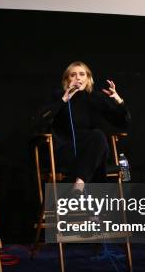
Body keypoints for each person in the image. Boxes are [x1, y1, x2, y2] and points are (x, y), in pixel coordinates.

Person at [37, 61, 131, 194]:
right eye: (73, 75)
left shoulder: (96, 98)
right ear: (66, 80)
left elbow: (124, 124)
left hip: (92, 151)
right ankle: (93, 208)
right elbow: (40, 121)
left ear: (88, 79)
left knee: (98, 135)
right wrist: (63, 99)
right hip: (67, 153)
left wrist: (118, 100)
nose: (78, 78)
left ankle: (79, 184)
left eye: (82, 74)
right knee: (97, 152)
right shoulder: (58, 97)